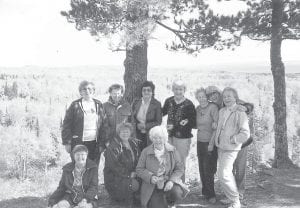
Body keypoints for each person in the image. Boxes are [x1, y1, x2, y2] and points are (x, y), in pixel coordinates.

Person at [213, 87, 250, 208]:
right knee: (223, 173)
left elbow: (245, 133)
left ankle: (235, 201)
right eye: (224, 96)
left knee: (224, 174)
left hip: (231, 148)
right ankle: (231, 198)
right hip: (221, 146)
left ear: (235, 98)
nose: (226, 98)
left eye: (229, 96)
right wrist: (216, 140)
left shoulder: (240, 112)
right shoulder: (222, 111)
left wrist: (233, 139)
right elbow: (220, 128)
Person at [136, 126, 189, 208]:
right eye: (155, 138)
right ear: (151, 139)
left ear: (165, 138)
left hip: (168, 182)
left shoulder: (172, 150)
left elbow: (180, 168)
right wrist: (151, 177)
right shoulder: (145, 151)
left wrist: (171, 181)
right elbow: (139, 169)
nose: (157, 140)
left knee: (176, 193)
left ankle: (170, 203)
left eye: (160, 138)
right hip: (152, 185)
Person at [61, 81, 106, 164]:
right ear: (80, 92)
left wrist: (102, 144)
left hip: (94, 143)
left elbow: (103, 125)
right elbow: (66, 125)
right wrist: (67, 142)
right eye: (84, 89)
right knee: (79, 167)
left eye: (89, 89)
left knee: (93, 168)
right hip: (78, 142)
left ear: (94, 91)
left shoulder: (98, 104)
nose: (87, 91)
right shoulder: (75, 105)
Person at [162, 80, 196, 182]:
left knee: (180, 162)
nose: (178, 91)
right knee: (169, 161)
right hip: (169, 136)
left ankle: (181, 187)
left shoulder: (189, 104)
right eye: (176, 89)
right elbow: (161, 113)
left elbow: (194, 122)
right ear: (172, 90)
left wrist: (187, 121)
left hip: (183, 138)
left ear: (184, 90)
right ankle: (171, 186)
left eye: (180, 89)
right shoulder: (169, 101)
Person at [104, 123, 140, 205]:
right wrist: (129, 174)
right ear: (119, 133)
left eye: (127, 131)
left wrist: (137, 171)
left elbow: (139, 159)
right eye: (122, 132)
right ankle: (122, 200)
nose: (125, 134)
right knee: (134, 185)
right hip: (116, 178)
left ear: (130, 132)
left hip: (131, 174)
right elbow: (115, 167)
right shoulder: (113, 147)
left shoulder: (133, 143)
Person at [195, 88, 218, 204]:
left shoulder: (213, 108)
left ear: (207, 96)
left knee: (208, 169)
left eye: (203, 96)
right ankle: (205, 192)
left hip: (210, 142)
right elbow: (194, 124)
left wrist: (211, 143)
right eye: (199, 97)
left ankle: (211, 194)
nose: (201, 99)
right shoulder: (198, 109)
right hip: (199, 142)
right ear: (197, 98)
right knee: (201, 168)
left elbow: (216, 127)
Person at [132, 81, 162, 151]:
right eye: (144, 90)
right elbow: (132, 118)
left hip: (150, 135)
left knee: (149, 154)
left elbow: (158, 122)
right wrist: (136, 125)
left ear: (152, 92)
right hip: (137, 134)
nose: (146, 92)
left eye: (149, 90)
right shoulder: (136, 102)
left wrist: (145, 126)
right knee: (138, 154)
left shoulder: (157, 104)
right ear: (141, 92)